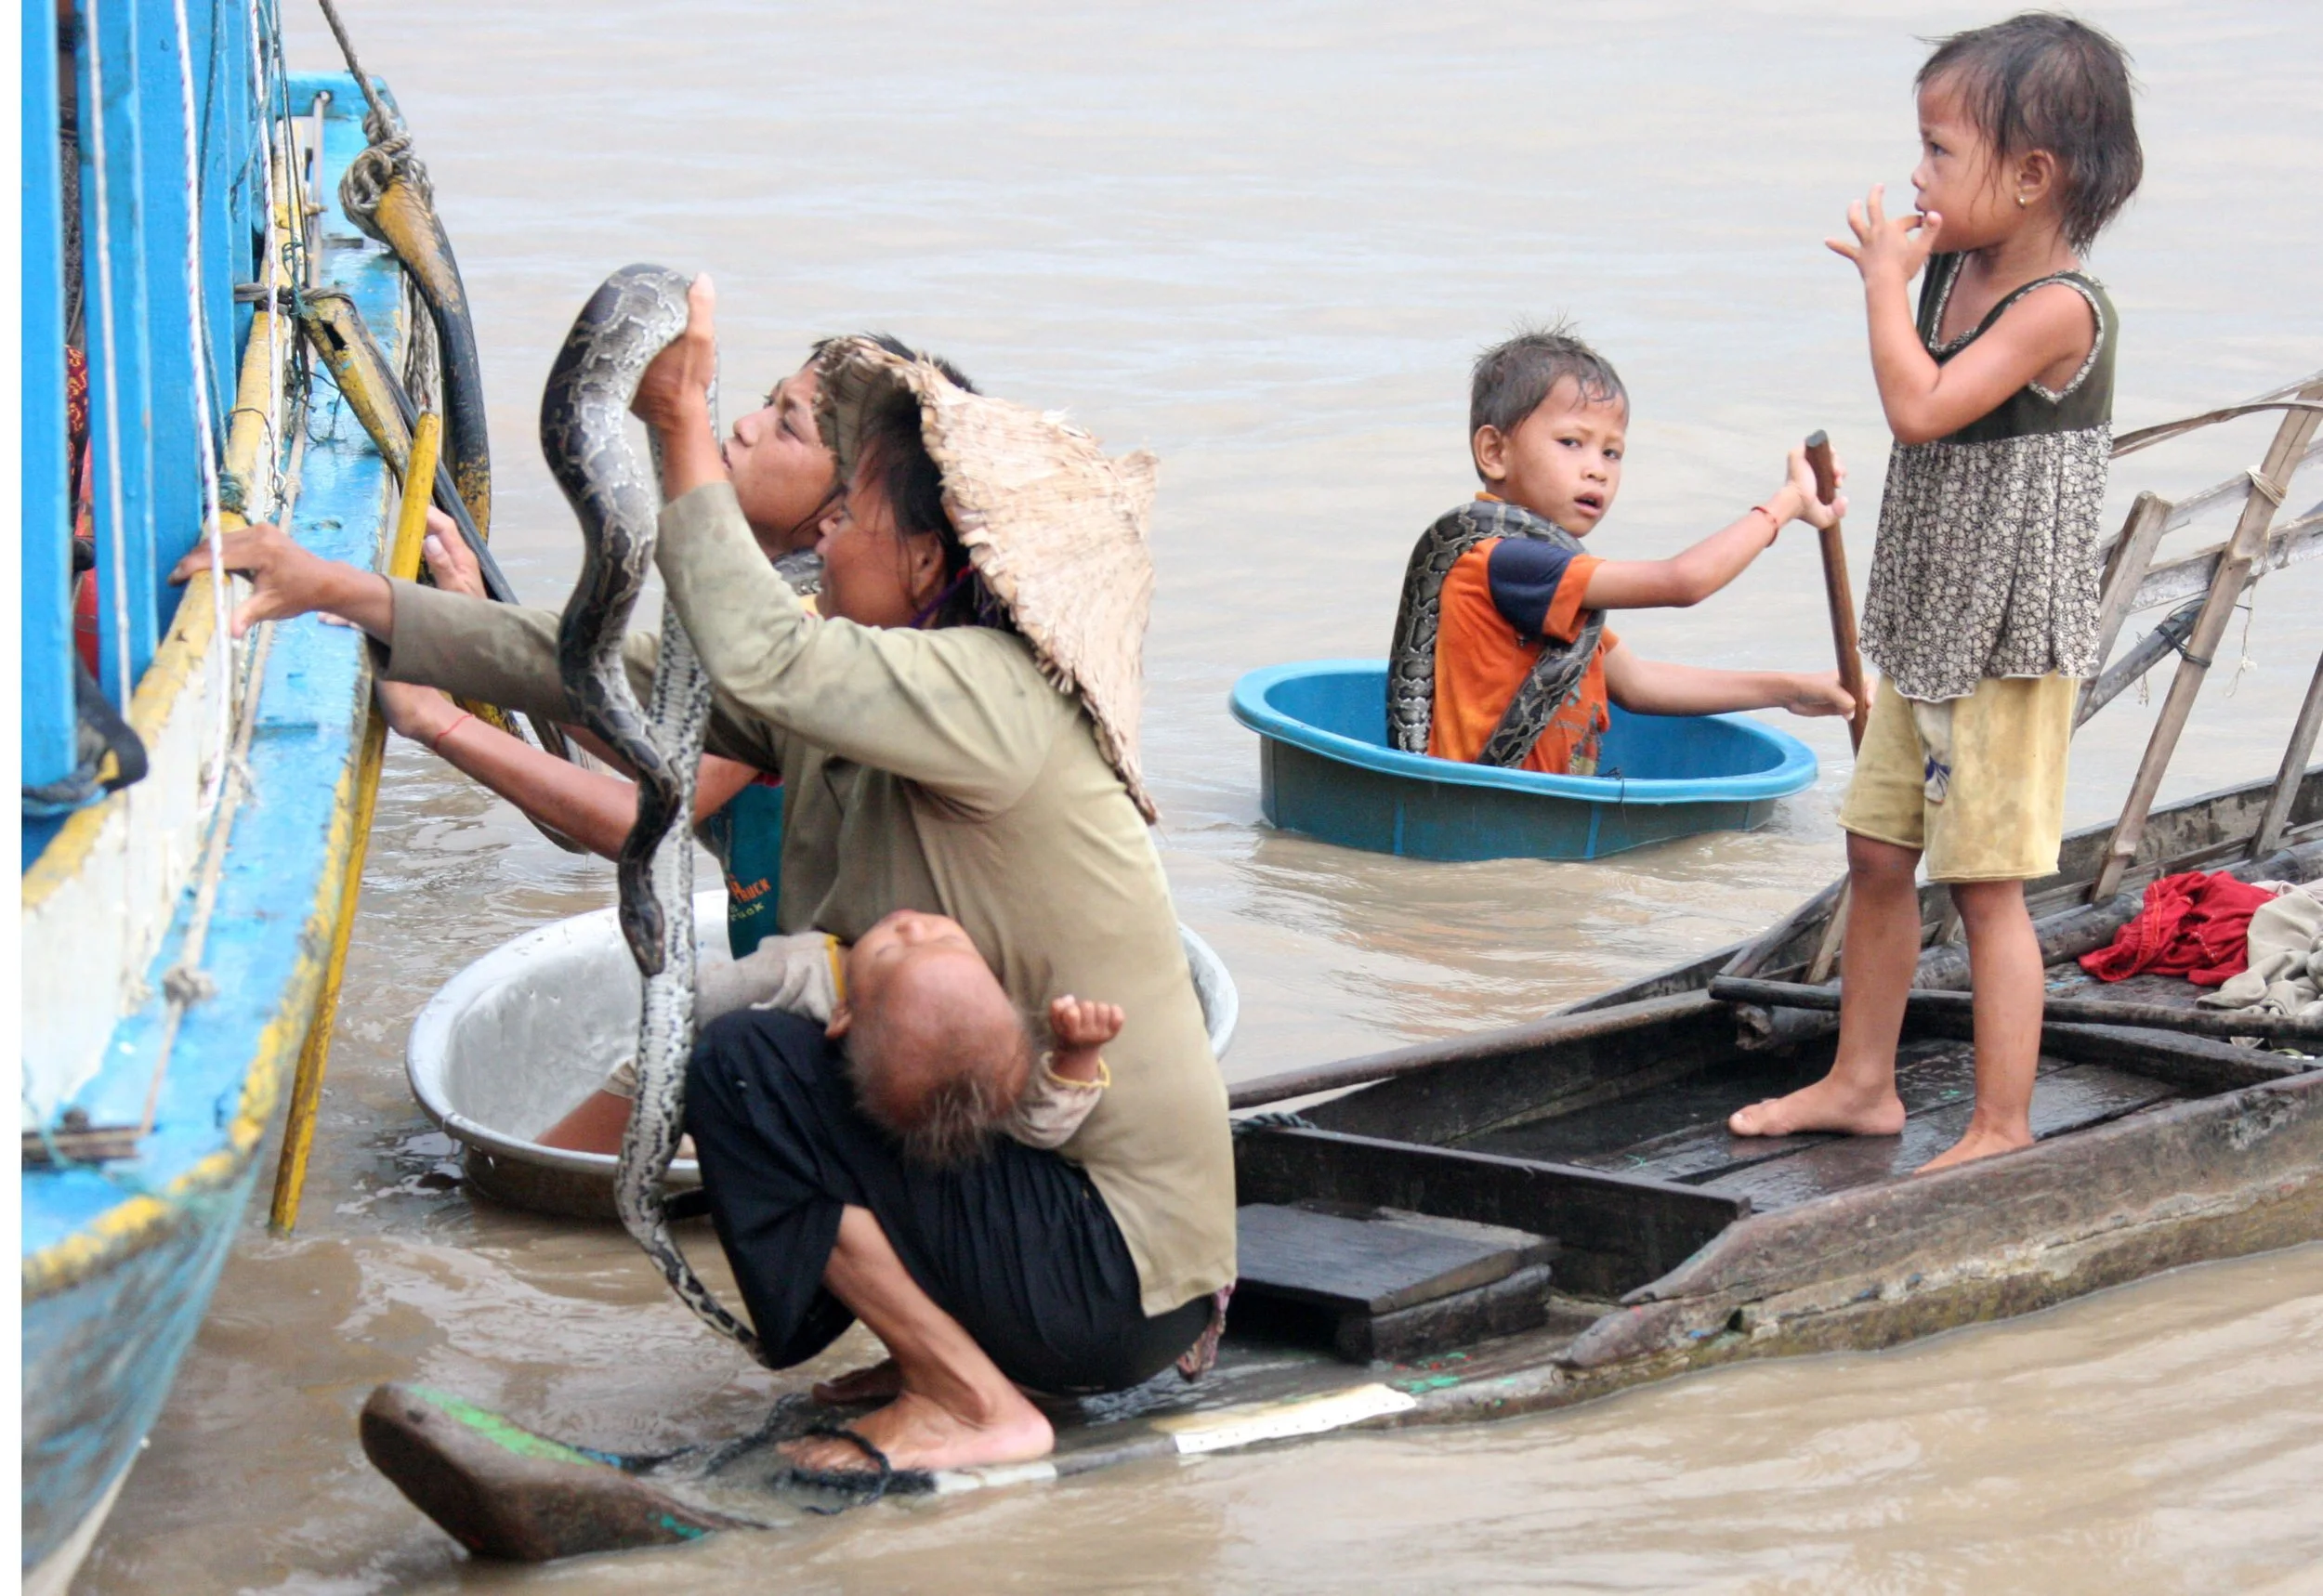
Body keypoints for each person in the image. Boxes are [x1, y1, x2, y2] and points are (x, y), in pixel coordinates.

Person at [177, 288, 1233, 1477]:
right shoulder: (858, 679)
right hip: (1027, 1200)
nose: (824, 535)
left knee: (744, 1066)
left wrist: (678, 419)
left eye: (853, 518)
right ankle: (951, 1350)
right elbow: (595, 665)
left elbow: (755, 650)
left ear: (929, 559)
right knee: (795, 1046)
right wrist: (343, 592)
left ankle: (974, 1397)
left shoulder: (989, 691)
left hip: (1118, 1265)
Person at [1728, 14, 2141, 1171]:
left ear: (2031, 176)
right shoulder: (1957, 269)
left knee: (1988, 886)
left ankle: (1999, 1125)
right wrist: (1905, 276)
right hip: (1932, 623)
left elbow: (1918, 407)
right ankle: (1862, 1081)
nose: (1916, 176)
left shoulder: (2061, 306)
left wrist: (1876, 286)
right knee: (1874, 851)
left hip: (2006, 645)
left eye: (1938, 152)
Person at [378, 334, 975, 962]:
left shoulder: (801, 636)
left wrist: (435, 721)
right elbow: (657, 750)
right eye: (767, 404)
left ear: (853, 500)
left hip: (836, 1011)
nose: (746, 427)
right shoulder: (772, 609)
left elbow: (640, 822)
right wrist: (477, 629)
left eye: (787, 427)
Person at [1387, 327, 1855, 776]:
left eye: (1612, 453)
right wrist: (1786, 503)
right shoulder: (1510, 563)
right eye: (1571, 443)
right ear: (1494, 452)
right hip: (1494, 813)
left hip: (1539, 813)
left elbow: (1639, 685)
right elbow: (1683, 582)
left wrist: (1791, 690)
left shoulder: (1556, 587)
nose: (1597, 470)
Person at [544, 909, 1122, 1162]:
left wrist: (1076, 1052)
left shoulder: (801, 971)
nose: (912, 924)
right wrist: (1077, 1055)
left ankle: (546, 1163)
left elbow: (1034, 1127)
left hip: (761, 1110)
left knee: (643, 1082)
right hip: (763, 1102)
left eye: (896, 949)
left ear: (845, 1012)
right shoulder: (952, 1027)